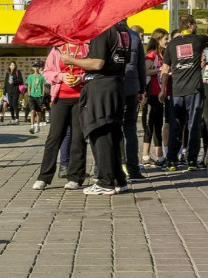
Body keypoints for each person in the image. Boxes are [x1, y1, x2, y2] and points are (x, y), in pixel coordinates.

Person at [59, 22, 131, 196]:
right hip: (116, 84)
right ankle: (118, 180)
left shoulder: (102, 31)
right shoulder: (124, 32)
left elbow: (97, 63)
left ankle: (105, 182)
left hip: (101, 86)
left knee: (100, 132)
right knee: (113, 134)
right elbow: (126, 64)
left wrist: (71, 60)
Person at [34, 39, 89, 190]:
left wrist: (81, 78)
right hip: (60, 98)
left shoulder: (86, 48)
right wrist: (61, 76)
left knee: (78, 138)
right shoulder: (57, 49)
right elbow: (47, 72)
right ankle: (44, 177)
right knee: (54, 137)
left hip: (81, 98)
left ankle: (75, 178)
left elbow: (94, 71)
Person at [162, 14, 208, 171]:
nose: (196, 27)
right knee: (193, 125)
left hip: (176, 91)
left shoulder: (172, 44)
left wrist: (163, 89)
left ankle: (171, 161)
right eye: (195, 24)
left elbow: (165, 69)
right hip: (194, 90)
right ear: (190, 25)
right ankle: (191, 161)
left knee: (175, 125)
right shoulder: (197, 40)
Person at [120, 24, 148, 181]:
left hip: (114, 85)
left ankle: (118, 165)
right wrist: (142, 88)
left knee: (114, 128)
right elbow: (141, 65)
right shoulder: (135, 36)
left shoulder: (108, 33)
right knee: (130, 129)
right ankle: (133, 168)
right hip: (132, 86)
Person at [141, 30, 168, 165]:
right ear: (158, 40)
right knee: (152, 124)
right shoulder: (152, 54)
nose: (167, 41)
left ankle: (156, 155)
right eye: (165, 39)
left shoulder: (161, 54)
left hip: (159, 94)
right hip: (152, 93)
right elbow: (145, 70)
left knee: (157, 124)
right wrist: (160, 69)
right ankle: (150, 155)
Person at [25, 62, 48, 134]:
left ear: (39, 68)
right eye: (35, 66)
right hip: (32, 96)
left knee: (38, 112)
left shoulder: (42, 77)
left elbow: (43, 86)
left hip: (39, 96)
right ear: (33, 68)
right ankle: (32, 126)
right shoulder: (30, 76)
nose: (36, 68)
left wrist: (43, 95)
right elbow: (28, 86)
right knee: (32, 111)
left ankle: (37, 125)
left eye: (37, 66)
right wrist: (29, 94)